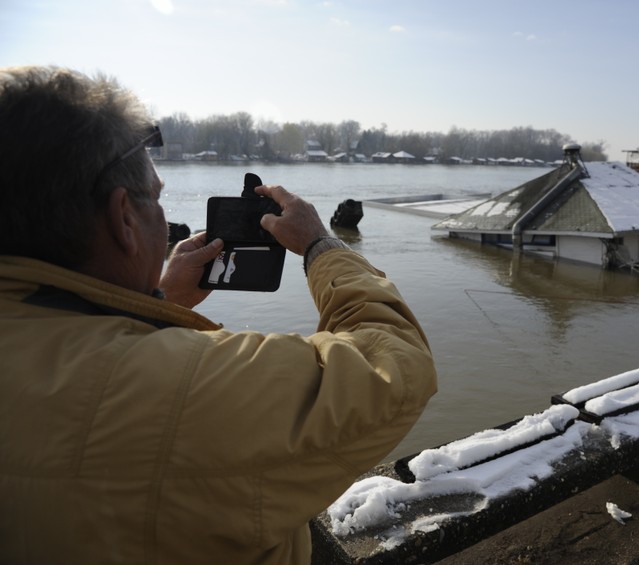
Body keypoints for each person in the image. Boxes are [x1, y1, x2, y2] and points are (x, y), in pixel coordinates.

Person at [0, 66, 437, 564]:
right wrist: (321, 244)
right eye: (156, 198)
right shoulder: (190, 388)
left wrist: (158, 302)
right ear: (125, 218)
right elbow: (398, 363)